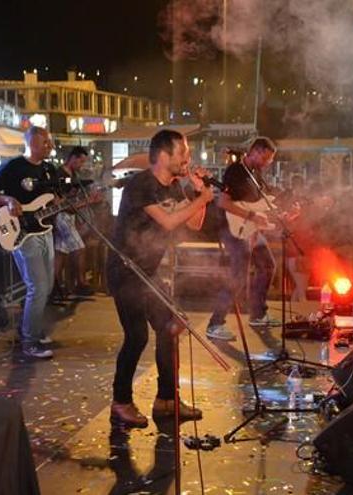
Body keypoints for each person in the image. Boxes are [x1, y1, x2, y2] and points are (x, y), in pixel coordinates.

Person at [107, 129, 214, 428]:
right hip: (126, 270)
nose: (188, 159)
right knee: (137, 336)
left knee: (169, 328)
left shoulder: (176, 187)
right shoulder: (141, 185)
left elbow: (193, 223)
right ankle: (121, 402)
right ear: (164, 155)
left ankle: (167, 399)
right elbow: (168, 221)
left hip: (150, 271)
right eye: (183, 153)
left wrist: (197, 194)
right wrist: (202, 197)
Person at [0, 126, 60, 358]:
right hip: (23, 234)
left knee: (47, 286)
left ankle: (31, 328)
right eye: (46, 142)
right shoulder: (13, 166)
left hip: (44, 231)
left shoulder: (49, 169)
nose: (50, 146)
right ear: (33, 142)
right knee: (38, 287)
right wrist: (7, 199)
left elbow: (55, 200)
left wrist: (79, 200)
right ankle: (29, 342)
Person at [206, 137, 281, 341]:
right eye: (265, 158)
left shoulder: (256, 174)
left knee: (267, 266)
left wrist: (273, 217)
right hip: (232, 229)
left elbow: (255, 205)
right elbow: (223, 202)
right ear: (255, 151)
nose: (267, 163)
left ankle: (258, 314)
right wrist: (251, 217)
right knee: (239, 275)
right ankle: (215, 323)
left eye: (269, 160)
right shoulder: (235, 171)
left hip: (249, 228)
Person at [52, 146, 94, 299]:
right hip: (61, 215)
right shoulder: (60, 174)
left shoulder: (73, 175)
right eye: (80, 161)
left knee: (60, 252)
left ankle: (54, 286)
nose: (81, 165)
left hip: (69, 215)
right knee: (80, 248)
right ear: (73, 158)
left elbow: (71, 198)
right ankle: (80, 283)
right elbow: (60, 199)